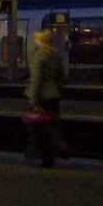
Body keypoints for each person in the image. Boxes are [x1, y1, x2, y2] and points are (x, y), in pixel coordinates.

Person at [25, 29, 65, 167]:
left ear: (40, 41)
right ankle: (54, 154)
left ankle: (45, 157)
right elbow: (62, 78)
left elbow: (36, 79)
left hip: (42, 96)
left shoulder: (39, 56)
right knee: (53, 127)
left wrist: (32, 100)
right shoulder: (55, 55)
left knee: (41, 130)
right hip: (54, 96)